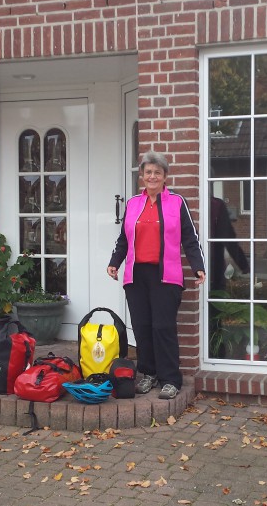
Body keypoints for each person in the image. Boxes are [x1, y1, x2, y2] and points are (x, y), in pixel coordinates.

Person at [107, 151, 206, 400]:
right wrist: (114, 262)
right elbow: (123, 239)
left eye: (157, 173)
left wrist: (198, 265)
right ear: (142, 175)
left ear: (165, 176)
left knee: (163, 327)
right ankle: (149, 374)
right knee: (142, 327)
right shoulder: (133, 203)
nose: (152, 176)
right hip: (136, 276)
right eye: (148, 172)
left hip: (166, 276)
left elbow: (190, 238)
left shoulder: (177, 202)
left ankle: (170, 379)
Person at [209, 195, 250, 292]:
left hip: (212, 263)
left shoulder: (216, 205)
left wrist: (243, 263)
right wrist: (243, 265)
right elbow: (228, 235)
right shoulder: (216, 204)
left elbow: (227, 235)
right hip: (214, 264)